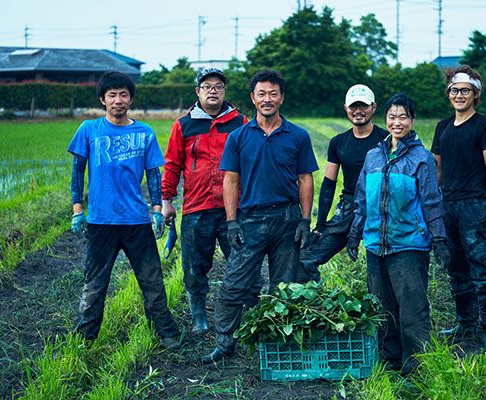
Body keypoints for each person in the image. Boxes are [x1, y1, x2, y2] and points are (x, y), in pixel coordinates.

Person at [203, 69, 319, 363]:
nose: (268, 99)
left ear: (281, 97)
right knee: (235, 284)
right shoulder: (239, 136)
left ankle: (277, 344)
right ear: (253, 98)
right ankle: (224, 342)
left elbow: (305, 179)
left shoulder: (298, 136)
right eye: (262, 94)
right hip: (250, 220)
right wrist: (231, 221)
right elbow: (230, 179)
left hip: (286, 220)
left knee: (283, 287)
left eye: (273, 93)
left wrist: (305, 221)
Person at [68, 71, 181, 349]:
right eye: (112, 95)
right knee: (94, 283)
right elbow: (77, 171)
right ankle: (85, 336)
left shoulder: (144, 132)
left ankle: (165, 331)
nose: (118, 100)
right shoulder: (89, 130)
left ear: (130, 98)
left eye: (123, 94)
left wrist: (156, 209)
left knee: (152, 279)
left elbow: (153, 173)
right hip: (100, 221)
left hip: (135, 221)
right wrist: (77, 208)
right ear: (102, 99)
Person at [347, 93, 450, 374]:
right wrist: (355, 232)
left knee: (412, 308)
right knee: (382, 306)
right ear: (385, 119)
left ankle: (416, 364)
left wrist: (439, 239)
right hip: (375, 243)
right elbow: (361, 198)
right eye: (392, 117)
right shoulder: (373, 156)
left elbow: (432, 201)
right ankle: (390, 359)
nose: (397, 122)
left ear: (412, 120)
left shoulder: (422, 158)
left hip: (408, 244)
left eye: (403, 116)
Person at [161, 68, 260, 333]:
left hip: (235, 209)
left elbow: (252, 162)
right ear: (198, 92)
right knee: (195, 265)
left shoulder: (241, 122)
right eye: (207, 86)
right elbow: (172, 164)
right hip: (197, 207)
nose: (213, 90)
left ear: (225, 91)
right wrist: (167, 199)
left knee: (243, 261)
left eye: (218, 86)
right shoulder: (183, 124)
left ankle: (251, 314)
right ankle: (199, 316)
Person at [431, 65, 486, 351]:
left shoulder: (484, 125)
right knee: (456, 268)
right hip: (447, 205)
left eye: (465, 91)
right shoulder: (443, 127)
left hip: (474, 205)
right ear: (448, 94)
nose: (459, 95)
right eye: (454, 90)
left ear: (475, 94)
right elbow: (436, 168)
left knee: (483, 270)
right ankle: (465, 322)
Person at [297, 84, 388, 283]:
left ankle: (384, 307)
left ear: (373, 107)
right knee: (307, 257)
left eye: (363, 106)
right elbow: (329, 185)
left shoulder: (386, 140)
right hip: (349, 208)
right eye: (353, 106)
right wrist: (320, 224)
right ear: (346, 109)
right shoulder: (339, 142)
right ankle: (310, 302)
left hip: (380, 208)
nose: (358, 111)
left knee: (382, 269)